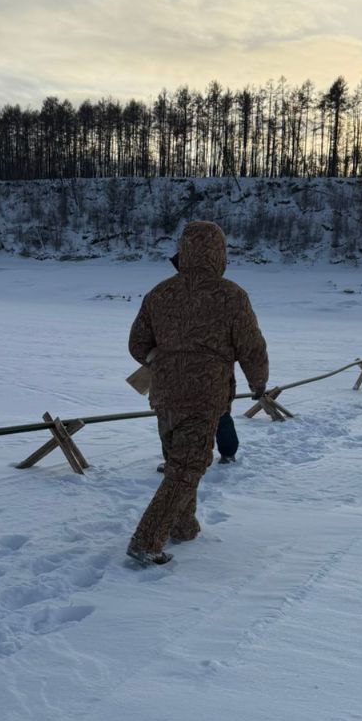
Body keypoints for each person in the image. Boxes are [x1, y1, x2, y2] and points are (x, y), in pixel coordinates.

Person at [126, 221, 269, 566]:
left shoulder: (160, 293)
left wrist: (160, 360)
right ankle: (147, 540)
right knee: (188, 466)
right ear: (220, 254)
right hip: (206, 395)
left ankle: (183, 526)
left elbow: (137, 345)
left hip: (163, 397)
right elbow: (251, 348)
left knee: (180, 461)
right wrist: (258, 383)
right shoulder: (231, 295)